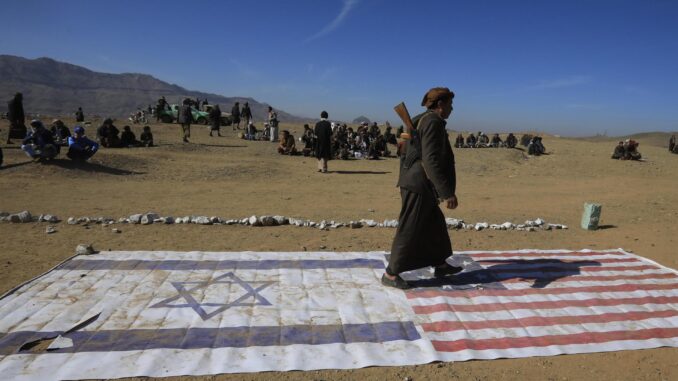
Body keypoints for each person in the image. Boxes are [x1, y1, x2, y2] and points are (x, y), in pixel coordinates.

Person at [384, 87, 463, 289]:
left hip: (416, 181)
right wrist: (447, 193)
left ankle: (440, 264)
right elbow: (430, 160)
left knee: (434, 223)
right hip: (418, 183)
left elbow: (405, 148)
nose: (452, 109)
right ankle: (391, 274)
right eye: (450, 104)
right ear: (440, 105)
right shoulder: (433, 122)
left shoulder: (421, 119)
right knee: (409, 227)